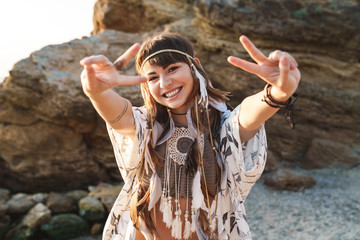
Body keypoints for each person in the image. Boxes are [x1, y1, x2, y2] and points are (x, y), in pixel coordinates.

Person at [80, 32, 300, 240]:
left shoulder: (223, 127)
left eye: (173, 69)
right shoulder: (145, 126)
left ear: (195, 66)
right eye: (153, 77)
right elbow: (118, 115)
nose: (165, 83)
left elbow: (249, 115)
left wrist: (277, 92)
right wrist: (97, 93)